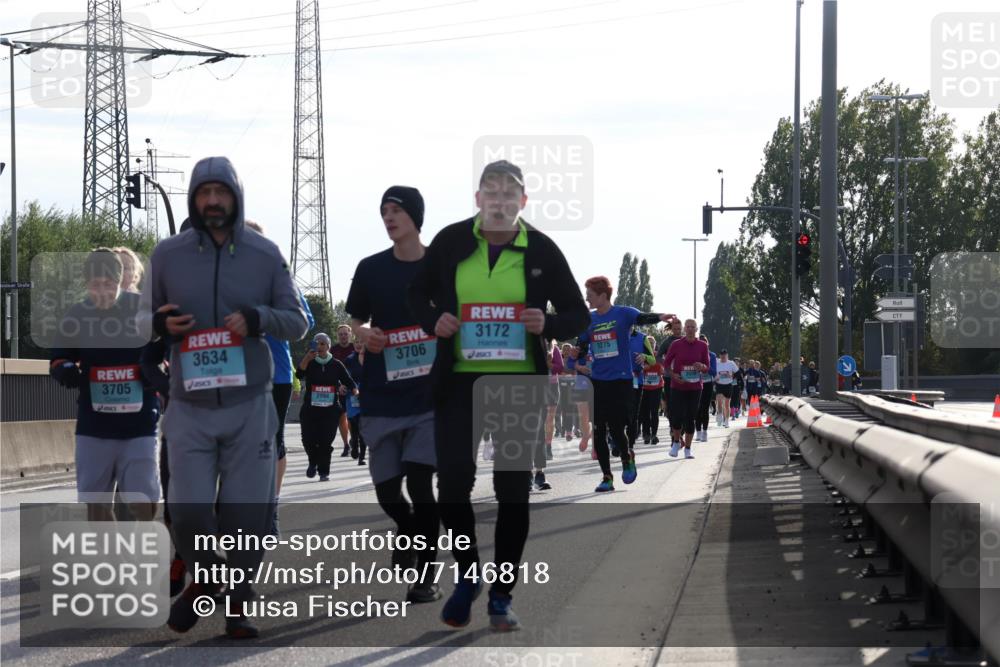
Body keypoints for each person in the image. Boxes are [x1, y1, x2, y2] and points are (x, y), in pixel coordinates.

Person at [408, 160, 589, 631]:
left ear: (522, 202)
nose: (501, 200)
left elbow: (577, 314)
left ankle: (502, 594)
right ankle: (469, 576)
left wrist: (547, 323)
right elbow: (414, 297)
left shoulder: (542, 249)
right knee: (451, 485)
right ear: (478, 199)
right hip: (459, 383)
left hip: (517, 386)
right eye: (492, 191)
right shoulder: (450, 242)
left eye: (511, 194)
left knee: (512, 490)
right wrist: (435, 321)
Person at [149, 156, 308, 639]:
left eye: (221, 193)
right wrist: (158, 325)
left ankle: (236, 606)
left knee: (247, 514)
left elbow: (298, 320)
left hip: (249, 407)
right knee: (188, 510)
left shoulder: (264, 253)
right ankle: (211, 582)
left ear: (235, 198)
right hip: (189, 407)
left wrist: (259, 318)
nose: (212, 202)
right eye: (203, 194)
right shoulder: (166, 256)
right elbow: (135, 321)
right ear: (193, 198)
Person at [348, 184, 442, 604]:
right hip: (383, 396)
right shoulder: (370, 268)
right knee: (389, 494)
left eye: (396, 211)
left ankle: (425, 575)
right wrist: (364, 333)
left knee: (422, 486)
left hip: (429, 398)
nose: (388, 218)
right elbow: (354, 321)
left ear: (415, 218)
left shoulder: (442, 269)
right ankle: (405, 528)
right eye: (383, 211)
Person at [50, 249, 160, 523]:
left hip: (139, 425)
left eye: (108, 284)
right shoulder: (77, 314)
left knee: (143, 501)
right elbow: (58, 357)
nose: (102, 291)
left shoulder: (142, 311)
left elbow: (167, 350)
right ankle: (116, 555)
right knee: (95, 506)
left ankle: (137, 545)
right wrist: (66, 371)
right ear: (87, 284)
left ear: (119, 280)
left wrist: (154, 370)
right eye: (95, 285)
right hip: (94, 425)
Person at [244, 220, 316, 536]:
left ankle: (270, 509)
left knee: (274, 441)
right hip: (236, 375)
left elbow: (306, 321)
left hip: (277, 374)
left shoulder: (280, 280)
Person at [578, 276, 674, 492]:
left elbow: (642, 318)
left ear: (602, 295)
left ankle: (626, 456)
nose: (587, 299)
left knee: (615, 426)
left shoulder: (623, 313)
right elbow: (582, 343)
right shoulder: (589, 319)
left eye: (590, 295)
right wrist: (579, 355)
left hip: (621, 380)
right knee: (598, 429)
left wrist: (660, 316)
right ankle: (606, 477)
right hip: (598, 381)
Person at [297, 333, 356, 481]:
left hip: (330, 410)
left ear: (328, 346)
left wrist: (355, 391)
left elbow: (348, 381)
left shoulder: (336, 364)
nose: (320, 346)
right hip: (310, 409)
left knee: (325, 441)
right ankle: (312, 462)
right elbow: (299, 374)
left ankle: (324, 472)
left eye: (323, 343)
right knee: (308, 439)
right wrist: (307, 358)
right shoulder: (310, 362)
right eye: (317, 343)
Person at [663, 319, 710, 459]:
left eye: (692, 327)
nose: (689, 329)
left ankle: (688, 449)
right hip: (678, 385)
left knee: (691, 417)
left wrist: (701, 366)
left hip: (695, 387)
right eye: (687, 327)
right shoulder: (676, 344)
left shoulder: (702, 346)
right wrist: (673, 375)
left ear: (696, 329)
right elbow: (666, 363)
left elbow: (707, 367)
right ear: (684, 329)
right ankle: (676, 442)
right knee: (676, 417)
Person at [656, 318, 684, 448]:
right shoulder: (667, 342)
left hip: (684, 377)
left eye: (679, 329)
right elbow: (658, 356)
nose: (678, 331)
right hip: (669, 377)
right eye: (675, 329)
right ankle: (674, 433)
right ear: (671, 329)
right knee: (672, 408)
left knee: (683, 407)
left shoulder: (685, 341)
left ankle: (680, 432)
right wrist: (667, 365)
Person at [331, 324, 355, 455]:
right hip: (339, 388)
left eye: (345, 333)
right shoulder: (333, 350)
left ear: (350, 334)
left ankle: (354, 439)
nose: (343, 336)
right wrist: (339, 385)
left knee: (353, 417)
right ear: (337, 336)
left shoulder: (355, 348)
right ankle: (346, 445)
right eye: (340, 334)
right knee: (341, 417)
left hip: (354, 388)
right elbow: (331, 371)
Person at [343, 339, 366, 464]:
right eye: (356, 341)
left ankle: (362, 457)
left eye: (361, 342)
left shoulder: (371, 357)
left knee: (363, 426)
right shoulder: (349, 359)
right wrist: (343, 386)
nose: (359, 344)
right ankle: (354, 444)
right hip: (352, 394)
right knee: (354, 424)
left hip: (366, 394)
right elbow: (343, 376)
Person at [639, 335, 664, 445]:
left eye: (652, 343)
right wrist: (643, 368)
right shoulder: (641, 356)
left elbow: (664, 369)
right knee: (644, 411)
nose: (650, 345)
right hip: (644, 387)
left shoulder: (658, 356)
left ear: (654, 345)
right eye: (648, 343)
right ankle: (646, 434)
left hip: (657, 387)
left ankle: (654, 434)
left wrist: (660, 368)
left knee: (654, 411)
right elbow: (635, 369)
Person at [694, 335, 717, 442]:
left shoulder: (712, 355)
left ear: (707, 344)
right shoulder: (694, 354)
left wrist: (704, 367)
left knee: (705, 408)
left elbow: (713, 372)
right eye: (700, 342)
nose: (703, 344)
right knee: (697, 408)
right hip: (696, 383)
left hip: (707, 384)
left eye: (705, 342)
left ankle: (704, 432)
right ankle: (698, 431)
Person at [714, 349, 738, 428]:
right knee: (719, 401)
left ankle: (727, 421)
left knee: (727, 404)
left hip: (728, 385)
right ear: (720, 355)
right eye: (722, 355)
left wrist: (732, 376)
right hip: (719, 385)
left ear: (727, 355)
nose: (723, 356)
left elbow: (738, 373)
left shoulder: (731, 363)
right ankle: (720, 414)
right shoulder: (716, 363)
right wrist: (715, 377)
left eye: (725, 355)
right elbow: (712, 372)